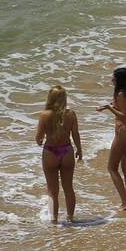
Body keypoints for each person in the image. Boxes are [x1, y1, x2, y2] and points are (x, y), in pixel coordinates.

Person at [35, 86, 82, 224]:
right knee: (68, 189)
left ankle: (54, 221)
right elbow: (75, 134)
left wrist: (40, 141)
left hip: (50, 152)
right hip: (67, 151)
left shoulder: (45, 115)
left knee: (52, 191)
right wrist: (79, 149)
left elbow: (38, 138)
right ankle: (70, 218)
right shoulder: (71, 114)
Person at [98, 67, 126, 211]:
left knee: (112, 167)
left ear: (119, 80)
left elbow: (124, 116)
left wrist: (110, 108)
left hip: (123, 131)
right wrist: (116, 107)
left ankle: (125, 202)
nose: (112, 79)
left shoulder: (121, 94)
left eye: (114, 77)